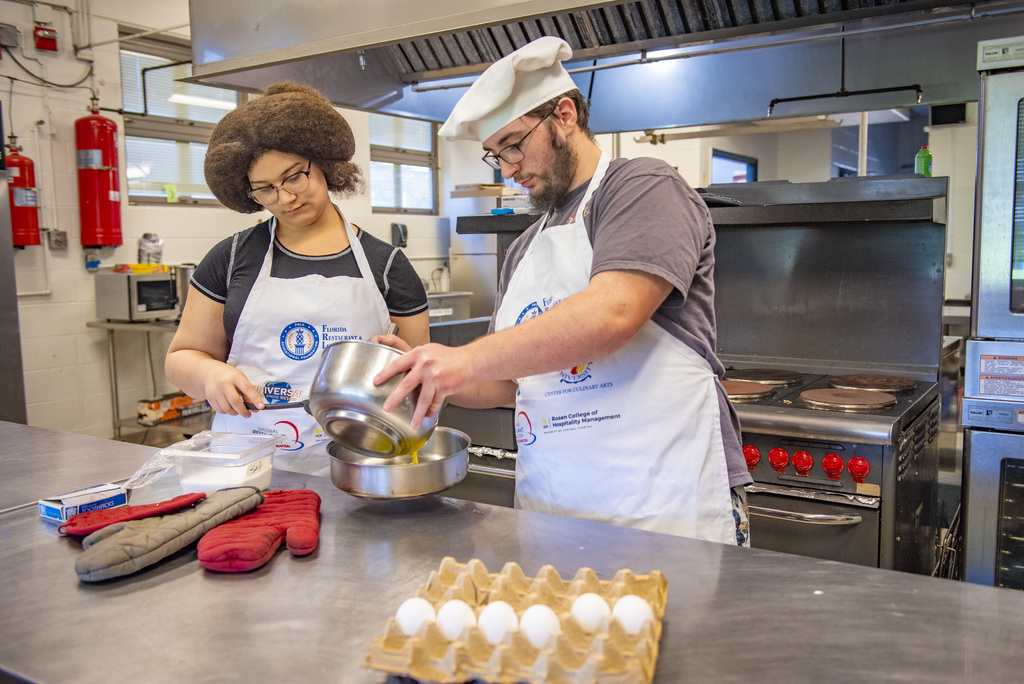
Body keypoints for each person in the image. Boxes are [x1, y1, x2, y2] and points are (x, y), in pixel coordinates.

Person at [374, 36, 752, 544]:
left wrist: (462, 358)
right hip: (557, 509)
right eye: (495, 156)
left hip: (665, 502)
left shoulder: (644, 186)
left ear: (565, 115)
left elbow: (612, 314)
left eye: (513, 144)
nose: (508, 169)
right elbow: (509, 381)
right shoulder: (524, 247)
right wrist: (426, 377)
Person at [166, 81, 429, 472]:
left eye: (293, 177)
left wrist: (409, 367)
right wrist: (208, 374)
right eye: (265, 189)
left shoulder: (387, 264)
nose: (285, 198)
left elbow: (422, 381)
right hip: (247, 469)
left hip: (358, 467)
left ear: (322, 163)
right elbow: (181, 359)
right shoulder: (231, 258)